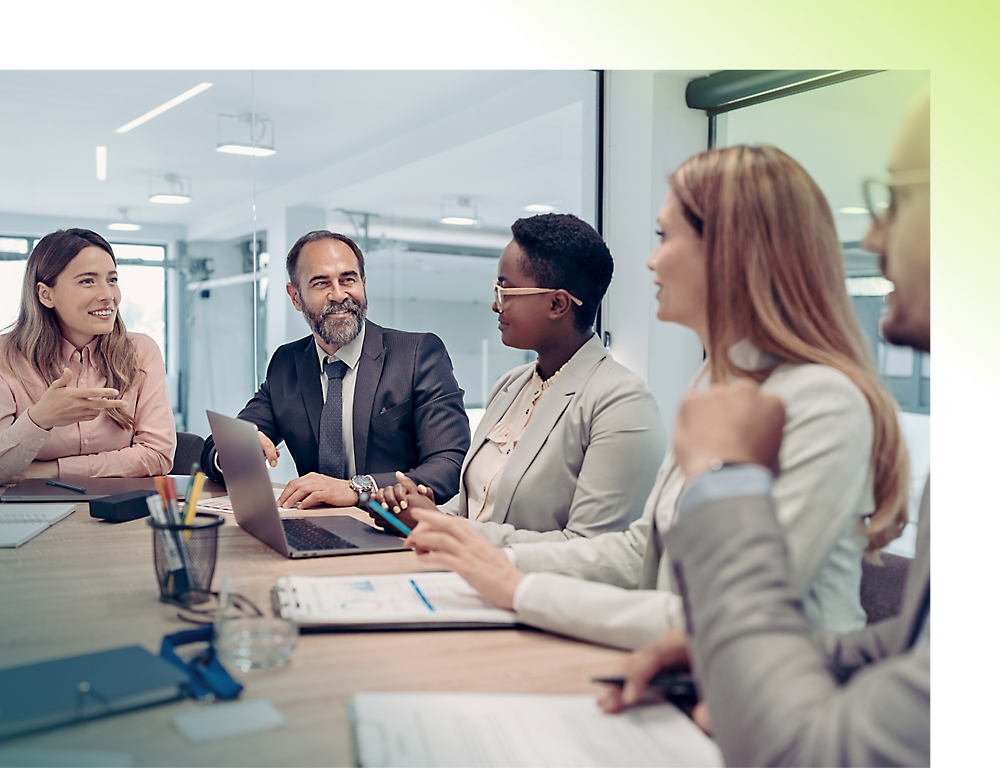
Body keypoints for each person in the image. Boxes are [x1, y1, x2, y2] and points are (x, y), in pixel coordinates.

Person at [397, 144, 910, 651]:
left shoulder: (822, 402)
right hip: (692, 672)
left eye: (665, 236)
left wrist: (518, 586)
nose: (651, 259)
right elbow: (642, 552)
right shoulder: (717, 381)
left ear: (730, 251)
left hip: (783, 702)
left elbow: (724, 616)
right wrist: (489, 555)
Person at [599, 91, 931, 767]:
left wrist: (726, 481)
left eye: (895, 198)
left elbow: (800, 748)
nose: (871, 237)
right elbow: (908, 651)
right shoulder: (713, 383)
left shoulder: (821, 400)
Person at [373, 213, 666, 544]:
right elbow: (478, 509)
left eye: (506, 290)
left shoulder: (622, 403)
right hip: (465, 575)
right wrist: (423, 512)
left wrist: (443, 527)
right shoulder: (511, 384)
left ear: (557, 303)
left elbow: (590, 549)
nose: (496, 305)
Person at [201, 230, 471, 508]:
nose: (339, 295)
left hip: (398, 531)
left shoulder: (416, 354)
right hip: (315, 528)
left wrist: (359, 489)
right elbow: (215, 448)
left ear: (363, 283)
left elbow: (450, 464)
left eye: (348, 280)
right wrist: (236, 452)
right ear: (295, 296)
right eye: (321, 283)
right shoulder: (287, 363)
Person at [0, 228, 175, 482]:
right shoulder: (6, 357)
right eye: (87, 281)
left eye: (112, 280)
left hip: (121, 511)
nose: (108, 296)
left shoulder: (141, 352)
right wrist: (40, 419)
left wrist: (52, 470)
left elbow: (158, 455)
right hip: (27, 512)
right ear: (46, 294)